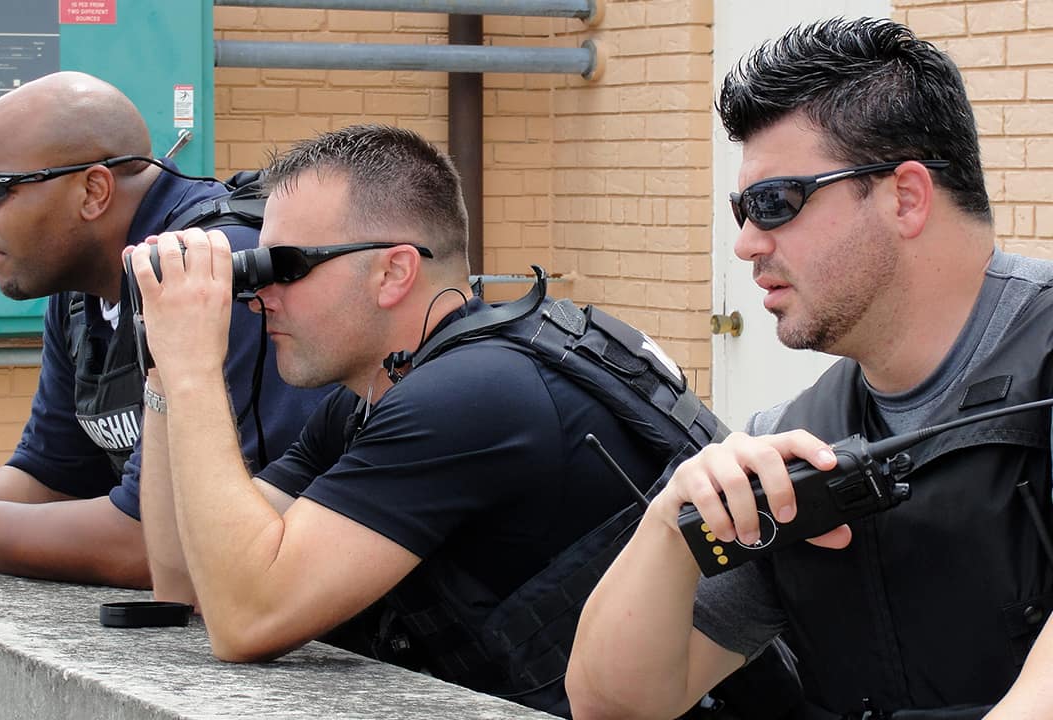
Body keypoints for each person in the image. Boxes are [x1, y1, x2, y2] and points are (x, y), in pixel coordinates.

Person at [566, 17, 1053, 720]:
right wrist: (670, 525)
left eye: (775, 203)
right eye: (742, 209)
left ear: (905, 197)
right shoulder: (795, 441)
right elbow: (613, 705)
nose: (745, 244)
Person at [126, 124, 679, 715]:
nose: (262, 297)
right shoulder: (375, 393)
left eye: (283, 267)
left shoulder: (475, 396)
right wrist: (164, 368)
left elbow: (247, 618)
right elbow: (185, 581)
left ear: (394, 272)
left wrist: (194, 370)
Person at [0, 71, 328, 587]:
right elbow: (53, 476)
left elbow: (155, 546)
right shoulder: (81, 284)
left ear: (92, 191)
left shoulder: (216, 271)